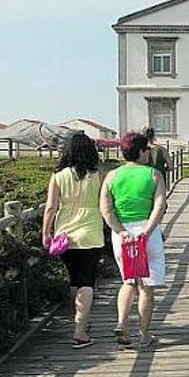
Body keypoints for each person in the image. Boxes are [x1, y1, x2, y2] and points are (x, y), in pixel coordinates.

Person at [100, 131, 168, 350]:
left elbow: (106, 210)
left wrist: (120, 231)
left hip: (123, 236)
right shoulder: (153, 175)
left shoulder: (112, 176)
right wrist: (147, 230)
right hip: (147, 233)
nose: (149, 152)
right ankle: (144, 335)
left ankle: (121, 322)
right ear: (140, 151)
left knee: (129, 282)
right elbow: (159, 206)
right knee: (146, 286)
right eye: (147, 149)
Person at [41, 133, 103, 349]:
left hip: (65, 234)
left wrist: (46, 232)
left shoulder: (58, 176)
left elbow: (50, 207)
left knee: (74, 281)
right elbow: (105, 203)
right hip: (91, 232)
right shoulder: (98, 175)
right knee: (87, 281)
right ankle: (79, 331)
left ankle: (80, 321)